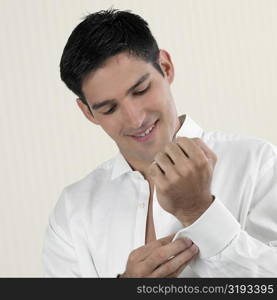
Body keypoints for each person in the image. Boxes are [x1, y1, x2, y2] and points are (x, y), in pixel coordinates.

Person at [42, 8, 277, 277]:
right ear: (88, 112)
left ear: (165, 68)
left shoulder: (259, 163)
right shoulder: (73, 211)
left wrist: (199, 211)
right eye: (109, 109)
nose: (135, 119)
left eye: (141, 90)